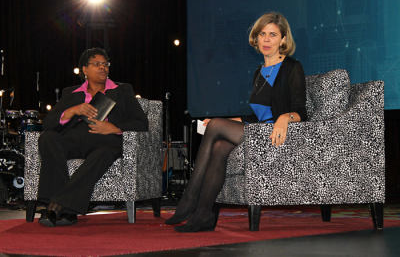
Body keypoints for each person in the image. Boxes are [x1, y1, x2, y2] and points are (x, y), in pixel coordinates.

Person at [165, 12, 307, 232]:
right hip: (259, 129)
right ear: (256, 38)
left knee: (215, 127)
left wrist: (283, 119)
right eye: (262, 34)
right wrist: (226, 120)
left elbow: (300, 111)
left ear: (283, 40)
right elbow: (255, 115)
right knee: (220, 145)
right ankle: (204, 215)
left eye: (273, 35)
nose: (267, 39)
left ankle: (189, 199)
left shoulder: (292, 68)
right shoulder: (259, 72)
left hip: (273, 135)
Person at [37, 48, 148, 227]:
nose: (103, 68)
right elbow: (48, 123)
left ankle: (55, 207)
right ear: (84, 70)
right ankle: (67, 210)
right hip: (76, 139)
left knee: (103, 154)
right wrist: (73, 110)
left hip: (107, 141)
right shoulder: (71, 93)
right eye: (97, 64)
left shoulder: (123, 90)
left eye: (106, 64)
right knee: (47, 138)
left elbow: (142, 123)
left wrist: (114, 128)